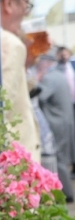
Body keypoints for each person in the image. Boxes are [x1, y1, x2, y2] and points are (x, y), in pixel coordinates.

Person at [0, 0, 41, 160]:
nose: (27, 11)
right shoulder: (11, 45)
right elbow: (0, 113)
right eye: (26, 2)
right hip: (18, 173)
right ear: (8, 2)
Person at [37, 51, 75, 201]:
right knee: (64, 158)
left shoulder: (49, 78)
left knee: (59, 159)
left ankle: (66, 194)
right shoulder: (60, 75)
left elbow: (39, 97)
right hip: (65, 120)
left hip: (56, 123)